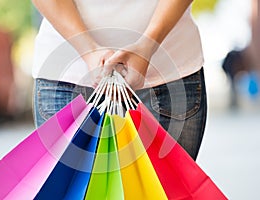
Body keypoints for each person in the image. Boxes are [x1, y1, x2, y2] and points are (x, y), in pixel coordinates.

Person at [31, 0, 207, 161]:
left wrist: (147, 45)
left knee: (164, 193)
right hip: (68, 78)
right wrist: (87, 50)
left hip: (168, 74)